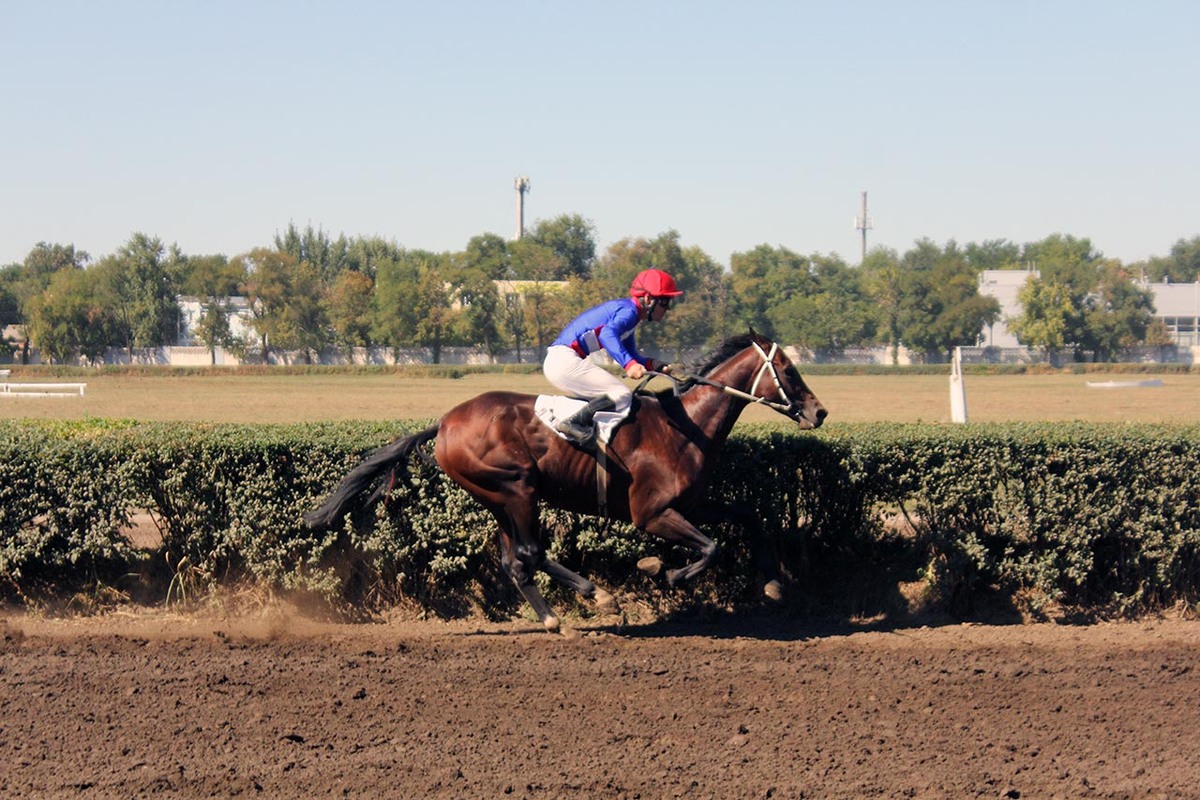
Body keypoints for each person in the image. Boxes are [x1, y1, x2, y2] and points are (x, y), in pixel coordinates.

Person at [543, 268, 683, 450]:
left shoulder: (630, 317)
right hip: (563, 361)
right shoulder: (629, 312)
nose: (667, 308)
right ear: (648, 299)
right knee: (621, 394)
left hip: (562, 361)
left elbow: (631, 354)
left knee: (616, 395)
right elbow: (608, 335)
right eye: (664, 302)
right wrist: (630, 365)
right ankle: (573, 424)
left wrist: (653, 364)